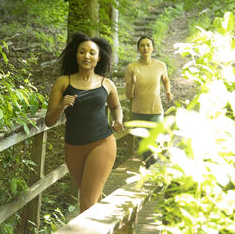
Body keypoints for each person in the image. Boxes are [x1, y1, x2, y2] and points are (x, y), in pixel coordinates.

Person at [45, 32, 123, 216]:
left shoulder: (107, 84)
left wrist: (119, 119)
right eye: (82, 52)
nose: (87, 56)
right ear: (76, 54)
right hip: (73, 147)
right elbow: (49, 121)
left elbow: (116, 105)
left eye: (92, 53)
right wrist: (62, 106)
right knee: (93, 199)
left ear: (99, 57)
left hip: (101, 143)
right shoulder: (64, 82)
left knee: (87, 203)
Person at [125, 36, 173, 166]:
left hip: (156, 111)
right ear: (138, 49)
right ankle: (149, 171)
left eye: (148, 45)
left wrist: (168, 92)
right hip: (138, 111)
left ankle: (151, 171)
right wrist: (133, 82)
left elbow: (166, 79)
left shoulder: (160, 65)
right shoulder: (132, 67)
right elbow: (128, 95)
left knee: (155, 142)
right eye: (142, 45)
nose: (145, 48)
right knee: (144, 145)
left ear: (153, 48)